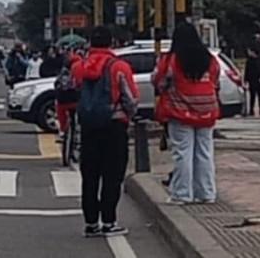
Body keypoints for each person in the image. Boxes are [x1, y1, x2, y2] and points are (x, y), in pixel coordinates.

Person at [72, 25, 139, 237]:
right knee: (112, 175)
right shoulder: (119, 66)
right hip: (114, 126)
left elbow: (73, 91)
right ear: (112, 43)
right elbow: (131, 99)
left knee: (90, 175)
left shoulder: (79, 67)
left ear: (90, 43)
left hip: (88, 127)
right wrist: (128, 114)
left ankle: (91, 223)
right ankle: (109, 221)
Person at [154, 22, 220, 206]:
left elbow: (158, 81)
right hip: (207, 110)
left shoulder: (171, 60)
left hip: (180, 111)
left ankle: (182, 194)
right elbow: (215, 80)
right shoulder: (209, 58)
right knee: (205, 153)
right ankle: (206, 193)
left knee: (183, 153)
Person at [244, 42, 260, 117]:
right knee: (252, 95)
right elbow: (247, 71)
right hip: (252, 80)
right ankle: (251, 109)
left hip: (259, 80)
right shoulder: (249, 61)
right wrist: (245, 80)